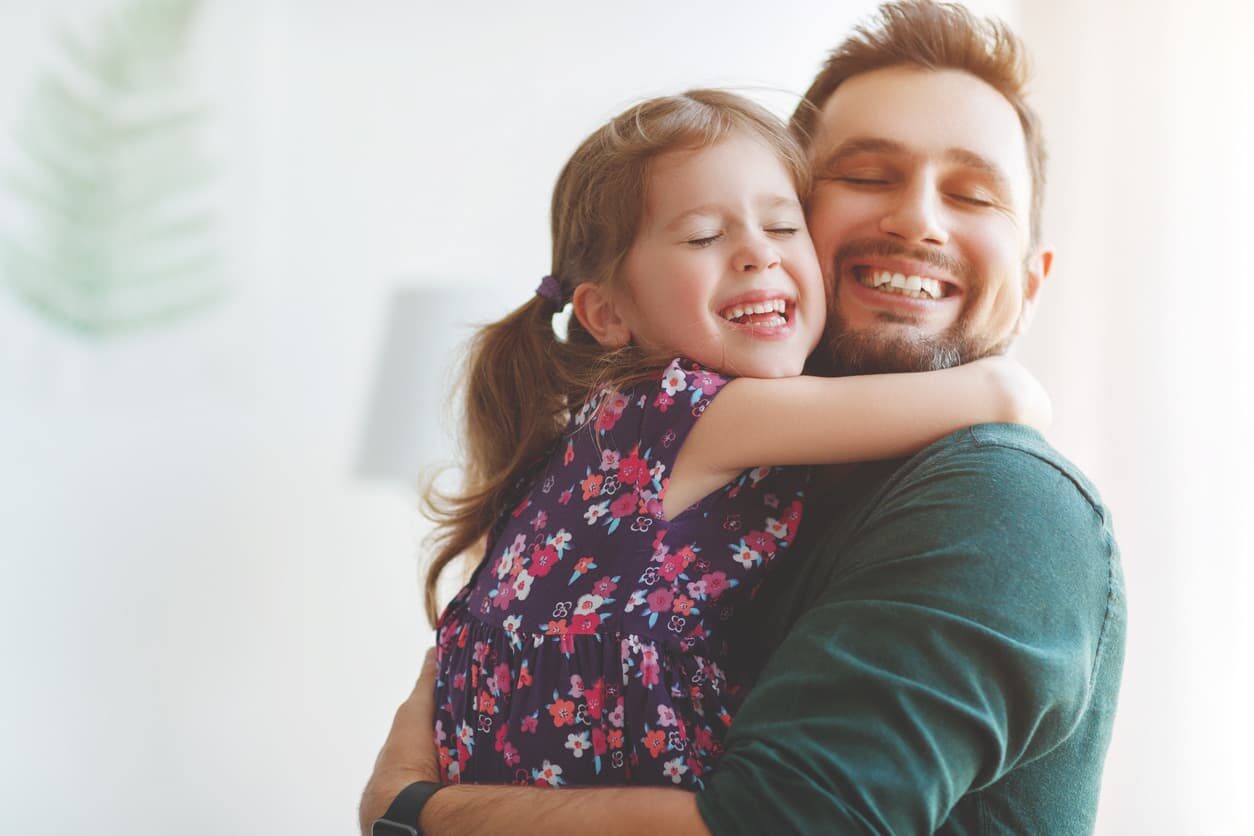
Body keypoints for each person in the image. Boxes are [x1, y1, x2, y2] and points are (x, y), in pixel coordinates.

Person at [361, 1, 1126, 833]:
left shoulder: (996, 497)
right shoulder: (739, 481)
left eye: (974, 193)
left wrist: (415, 814)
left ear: (1034, 281)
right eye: (866, 176)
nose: (917, 219)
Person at [424, 89, 1044, 791]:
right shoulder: (694, 413)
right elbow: (1001, 397)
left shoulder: (604, 424)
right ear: (607, 310)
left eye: (784, 228)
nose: (757, 255)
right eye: (701, 237)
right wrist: (1019, 370)